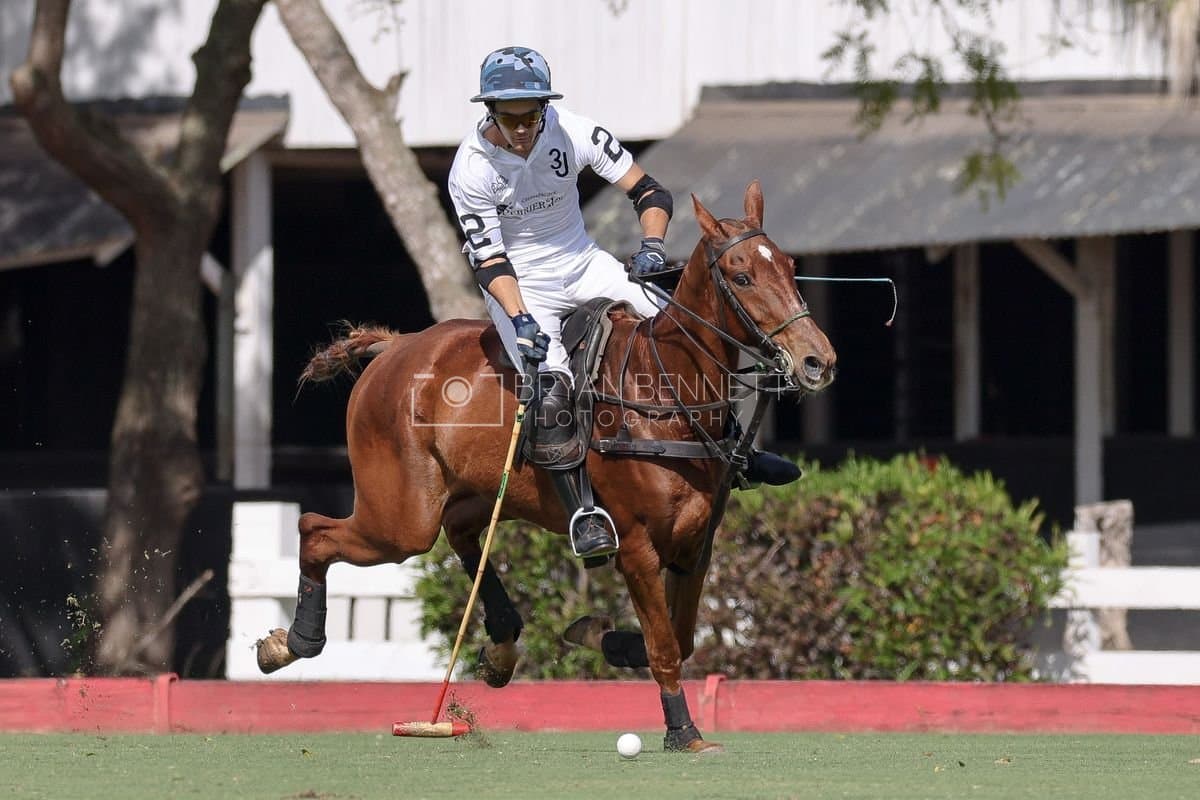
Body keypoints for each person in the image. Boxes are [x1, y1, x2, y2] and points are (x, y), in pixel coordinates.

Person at [448, 46, 800, 563]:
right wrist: (520, 319)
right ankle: (583, 514)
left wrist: (652, 246)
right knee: (551, 390)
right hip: (520, 282)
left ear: (545, 107)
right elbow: (490, 260)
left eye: (531, 115)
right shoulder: (470, 169)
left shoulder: (572, 131)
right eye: (509, 117)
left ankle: (737, 453)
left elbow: (649, 192)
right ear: (490, 111)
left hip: (583, 261)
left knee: (690, 332)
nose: (522, 128)